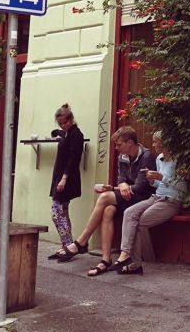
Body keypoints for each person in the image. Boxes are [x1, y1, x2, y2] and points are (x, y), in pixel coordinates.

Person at [55, 126, 156, 275]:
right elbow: (121, 178)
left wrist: (117, 188)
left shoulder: (146, 156)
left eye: (119, 144)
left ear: (130, 143)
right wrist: (122, 184)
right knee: (108, 210)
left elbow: (141, 187)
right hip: (127, 196)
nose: (116, 148)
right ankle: (105, 259)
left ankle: (81, 242)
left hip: (142, 198)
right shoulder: (122, 157)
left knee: (104, 197)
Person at [114, 130, 187, 275]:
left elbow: (183, 188)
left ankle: (136, 263)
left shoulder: (178, 160)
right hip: (156, 197)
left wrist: (161, 178)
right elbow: (158, 185)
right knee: (129, 213)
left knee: (139, 221)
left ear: (164, 143)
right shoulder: (159, 158)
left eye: (155, 142)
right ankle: (125, 254)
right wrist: (152, 181)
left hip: (171, 201)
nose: (153, 145)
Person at [45, 104, 84, 261]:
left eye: (65, 122)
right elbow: (59, 132)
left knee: (56, 213)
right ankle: (66, 247)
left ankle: (68, 246)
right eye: (60, 123)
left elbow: (73, 159)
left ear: (71, 119)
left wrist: (64, 179)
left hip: (66, 179)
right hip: (60, 177)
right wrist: (56, 132)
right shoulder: (67, 133)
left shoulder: (76, 135)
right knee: (63, 213)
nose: (63, 125)